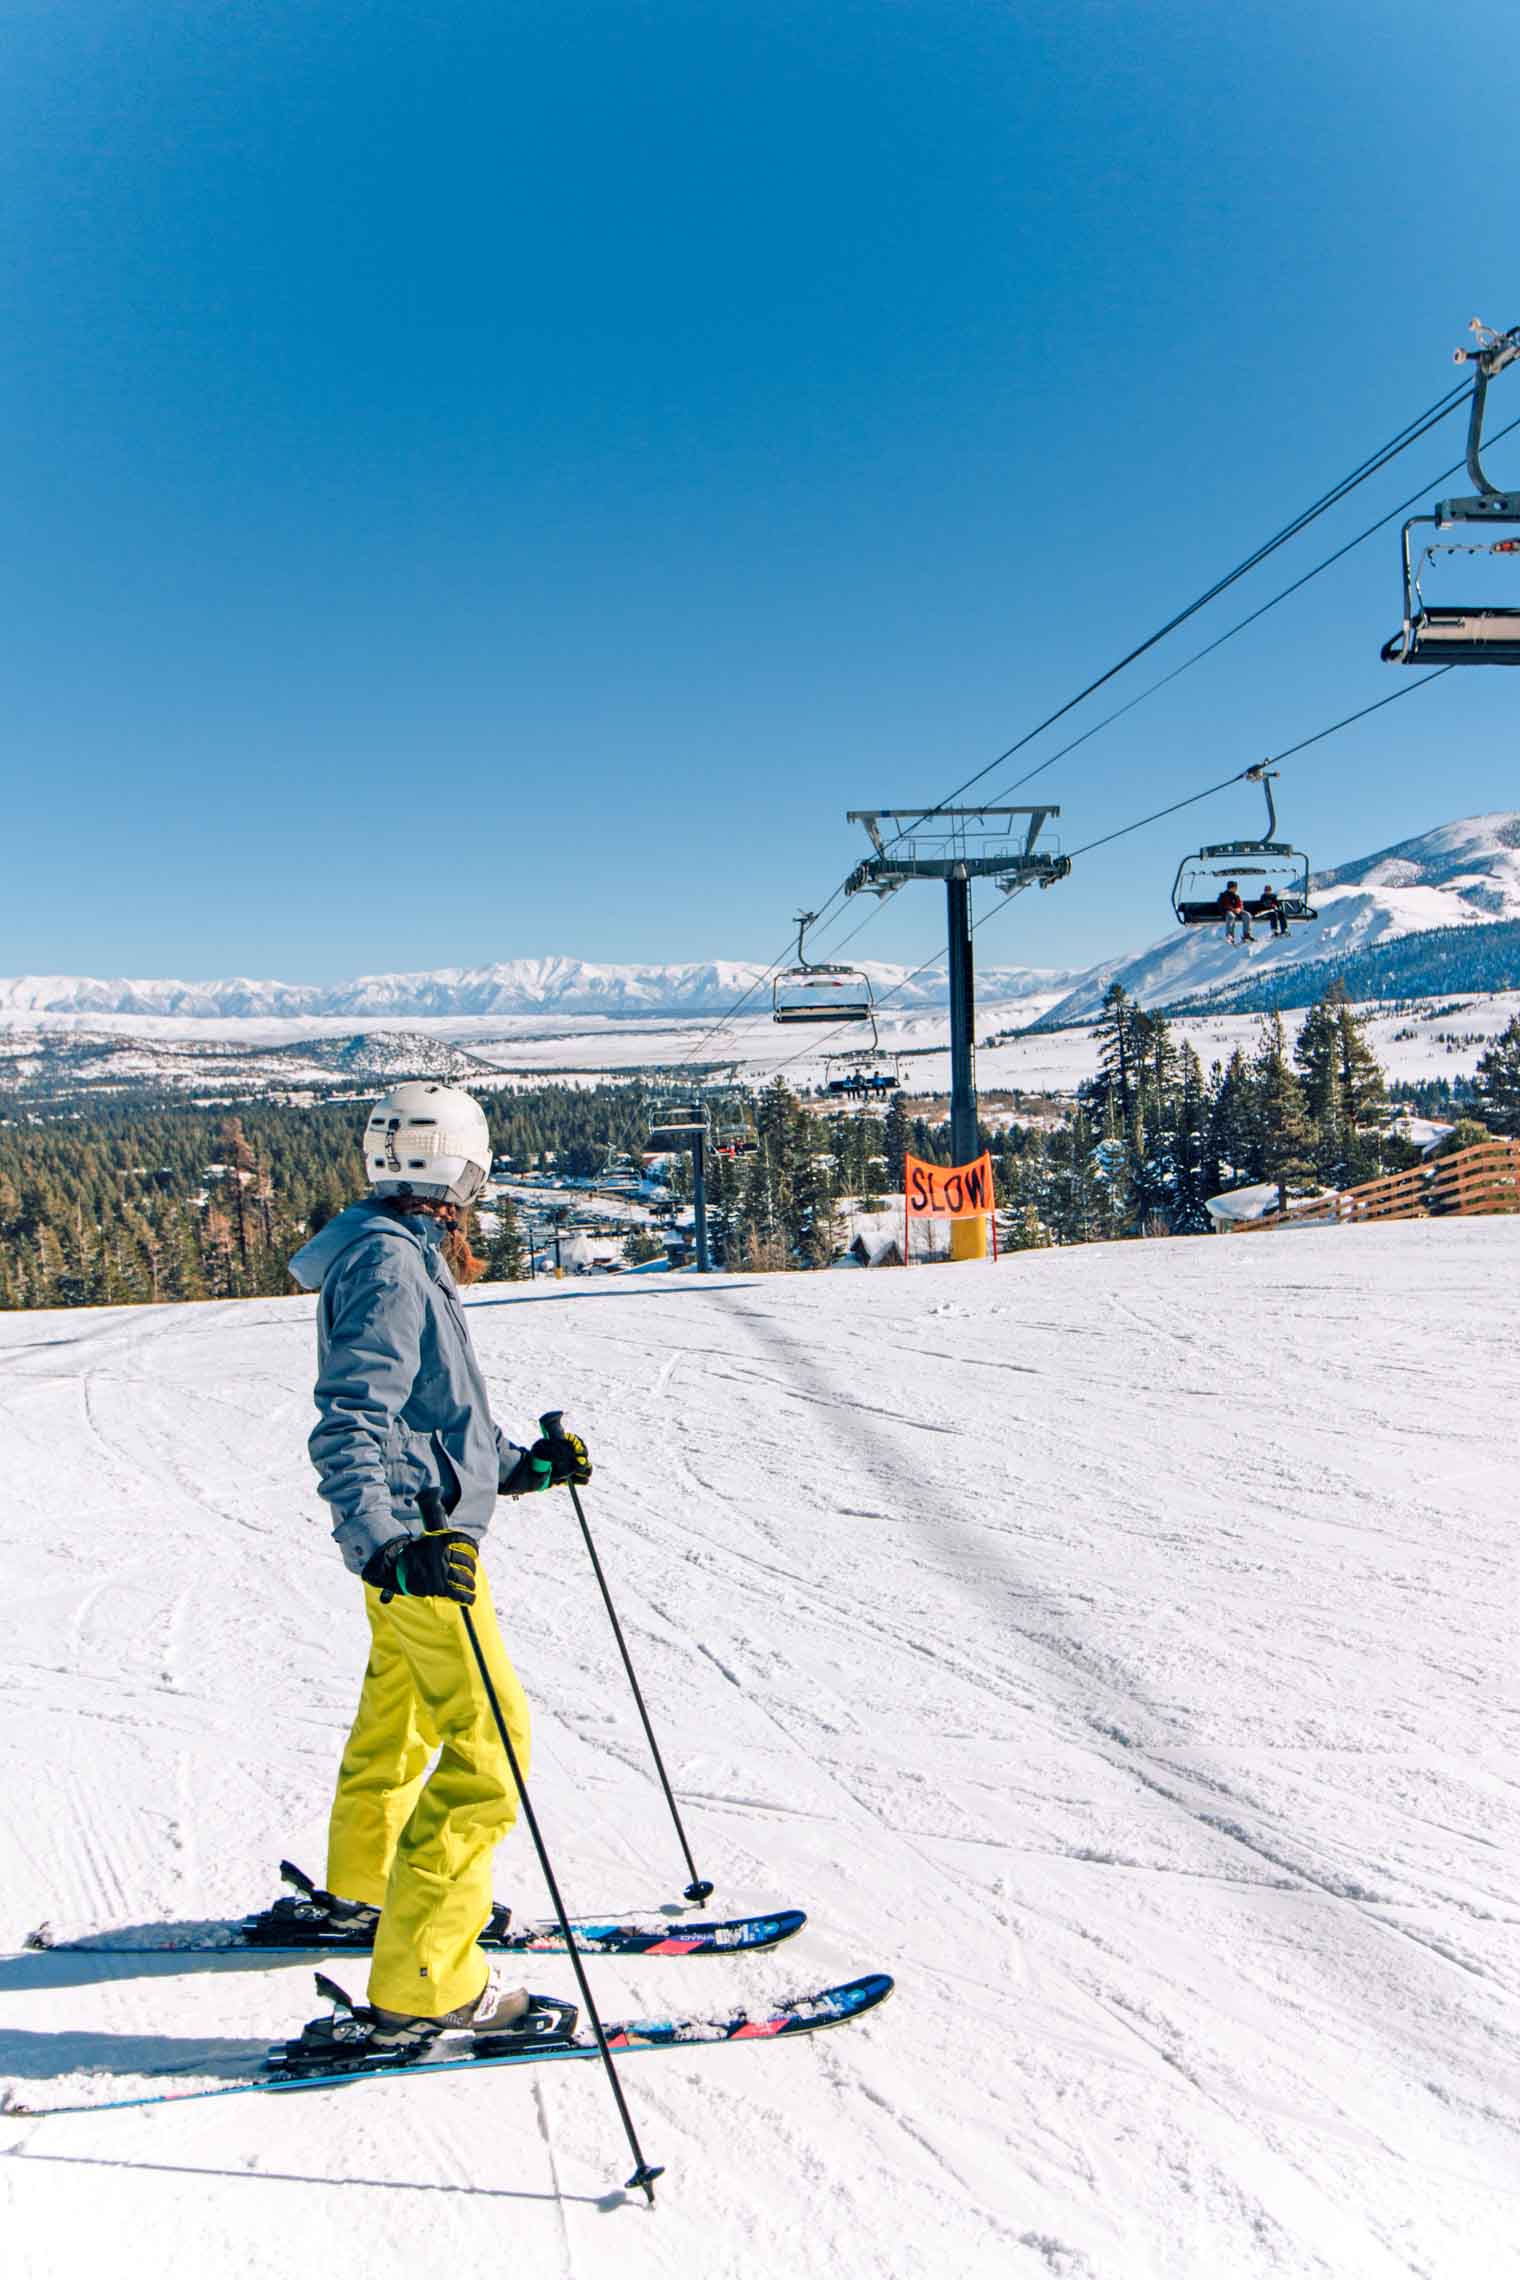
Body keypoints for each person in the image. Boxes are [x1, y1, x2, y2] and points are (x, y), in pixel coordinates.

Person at [278, 1081, 592, 2055]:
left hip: (415, 1547)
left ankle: (370, 1889)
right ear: (458, 1166)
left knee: (400, 1719)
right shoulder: (391, 1267)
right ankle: (425, 1978)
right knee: (488, 1754)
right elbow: (352, 1418)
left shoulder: (396, 1255)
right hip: (420, 1555)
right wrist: (386, 1548)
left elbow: (430, 1418)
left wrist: (518, 1467)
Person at [1216, 879, 1255, 945]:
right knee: (1231, 916)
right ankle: (1230, 935)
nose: (1236, 889)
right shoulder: (1223, 896)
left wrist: (1239, 909)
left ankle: (1246, 934)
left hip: (1236, 912)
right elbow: (1224, 905)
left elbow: (1239, 904)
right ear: (1231, 887)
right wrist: (1233, 909)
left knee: (1247, 915)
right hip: (1227, 912)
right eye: (1235, 888)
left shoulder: (1236, 896)